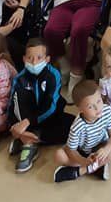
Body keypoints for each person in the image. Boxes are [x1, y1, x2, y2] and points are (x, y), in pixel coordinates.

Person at [8, 38, 75, 174]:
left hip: (47, 117)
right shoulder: (20, 78)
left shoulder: (53, 74)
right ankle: (28, 144)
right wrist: (14, 126)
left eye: (39, 58)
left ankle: (27, 138)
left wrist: (27, 123)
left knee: (74, 126)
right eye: (30, 58)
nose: (34, 62)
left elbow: (50, 106)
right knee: (21, 95)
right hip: (26, 119)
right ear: (24, 59)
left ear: (47, 59)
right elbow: (12, 106)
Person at [53, 80, 111, 183]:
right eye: (90, 106)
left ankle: (79, 171)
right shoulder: (77, 126)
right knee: (59, 155)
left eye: (99, 101)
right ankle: (97, 168)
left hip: (99, 147)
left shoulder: (106, 111)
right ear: (80, 109)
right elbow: (71, 150)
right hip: (81, 152)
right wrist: (84, 161)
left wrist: (106, 149)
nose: (97, 108)